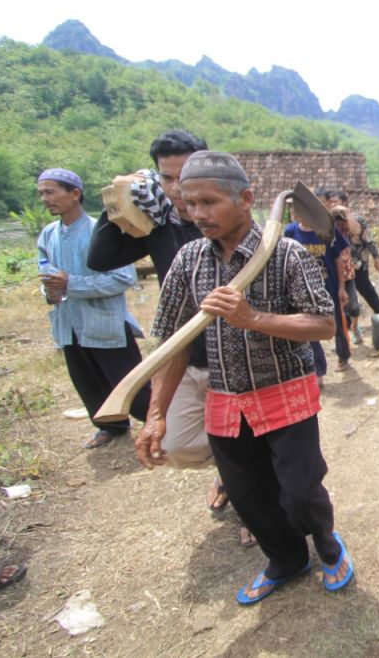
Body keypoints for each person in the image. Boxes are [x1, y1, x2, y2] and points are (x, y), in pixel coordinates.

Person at [143, 151, 352, 604]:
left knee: (299, 493)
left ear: (246, 200)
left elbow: (323, 325)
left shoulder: (286, 254)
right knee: (250, 497)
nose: (198, 214)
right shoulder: (188, 261)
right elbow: (172, 342)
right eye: (189, 202)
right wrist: (156, 413)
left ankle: (329, 546)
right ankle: (286, 560)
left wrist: (253, 317)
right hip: (225, 402)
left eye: (210, 202)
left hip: (287, 394)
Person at [86, 131, 252, 544]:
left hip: (239, 356)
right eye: (166, 179)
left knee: (249, 441)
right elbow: (100, 259)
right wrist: (118, 206)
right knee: (178, 445)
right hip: (186, 354)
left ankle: (252, 501)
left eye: (186, 177)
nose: (179, 191)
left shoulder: (229, 219)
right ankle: (233, 472)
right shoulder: (160, 225)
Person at [36, 168, 149, 449]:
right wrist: (50, 291)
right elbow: (46, 273)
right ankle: (110, 426)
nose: (45, 199)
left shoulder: (98, 231)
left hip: (104, 321)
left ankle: (157, 423)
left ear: (75, 194)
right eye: (41, 193)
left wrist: (71, 284)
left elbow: (123, 277)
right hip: (69, 322)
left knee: (130, 382)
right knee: (87, 380)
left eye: (50, 192)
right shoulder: (48, 235)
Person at [282, 202, 351, 386]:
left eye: (298, 208)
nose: (294, 212)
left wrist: (342, 287)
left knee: (336, 325)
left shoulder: (325, 230)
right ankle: (318, 372)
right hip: (303, 291)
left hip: (329, 286)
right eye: (293, 210)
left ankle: (343, 356)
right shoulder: (290, 232)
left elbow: (338, 259)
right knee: (309, 330)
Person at [323, 190, 379, 344]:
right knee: (347, 304)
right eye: (331, 202)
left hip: (358, 266)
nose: (334, 205)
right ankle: (351, 331)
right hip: (340, 269)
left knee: (369, 294)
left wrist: (377, 258)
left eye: (337, 201)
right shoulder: (329, 223)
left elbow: (366, 239)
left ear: (345, 203)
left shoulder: (357, 219)